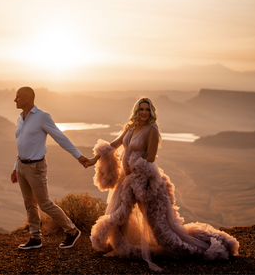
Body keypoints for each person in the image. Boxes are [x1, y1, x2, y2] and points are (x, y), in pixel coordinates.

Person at [85, 97, 239, 272]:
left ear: (151, 112)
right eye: (141, 109)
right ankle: (119, 247)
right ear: (136, 111)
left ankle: (182, 246)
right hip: (126, 178)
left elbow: (150, 157)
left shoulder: (152, 130)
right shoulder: (131, 127)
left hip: (142, 178)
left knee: (154, 221)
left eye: (147, 110)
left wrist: (135, 170)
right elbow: (115, 144)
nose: (144, 112)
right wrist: (95, 158)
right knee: (120, 212)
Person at [11, 87, 87, 250]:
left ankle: (72, 231)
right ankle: (35, 237)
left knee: (44, 203)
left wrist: (79, 156)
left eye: (17, 97)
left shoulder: (42, 117)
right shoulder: (20, 119)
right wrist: (15, 167)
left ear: (27, 99)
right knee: (29, 204)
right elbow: (21, 145)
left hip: (36, 167)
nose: (15, 100)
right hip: (22, 166)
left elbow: (61, 138)